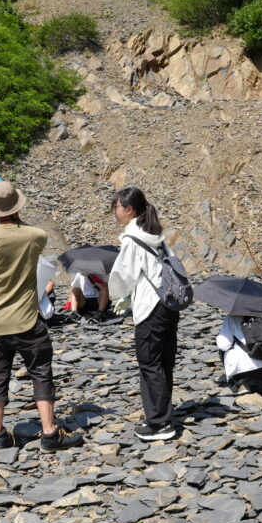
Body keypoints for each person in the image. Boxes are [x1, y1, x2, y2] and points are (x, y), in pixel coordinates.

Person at [0, 181, 83, 452]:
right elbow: (30, 236)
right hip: (27, 319)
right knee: (41, 374)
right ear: (17, 206)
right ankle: (50, 434)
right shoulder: (35, 235)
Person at [108, 187, 180, 442]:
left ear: (129, 209)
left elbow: (122, 276)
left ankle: (160, 424)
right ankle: (163, 414)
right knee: (164, 362)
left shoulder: (133, 238)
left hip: (149, 307)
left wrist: (118, 296)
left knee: (150, 363)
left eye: (116, 207)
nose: (114, 212)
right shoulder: (155, 233)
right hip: (168, 303)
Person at [216, 315, 262, 397]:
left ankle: (242, 382)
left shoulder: (232, 317)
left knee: (223, 349)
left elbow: (223, 345)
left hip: (248, 371)